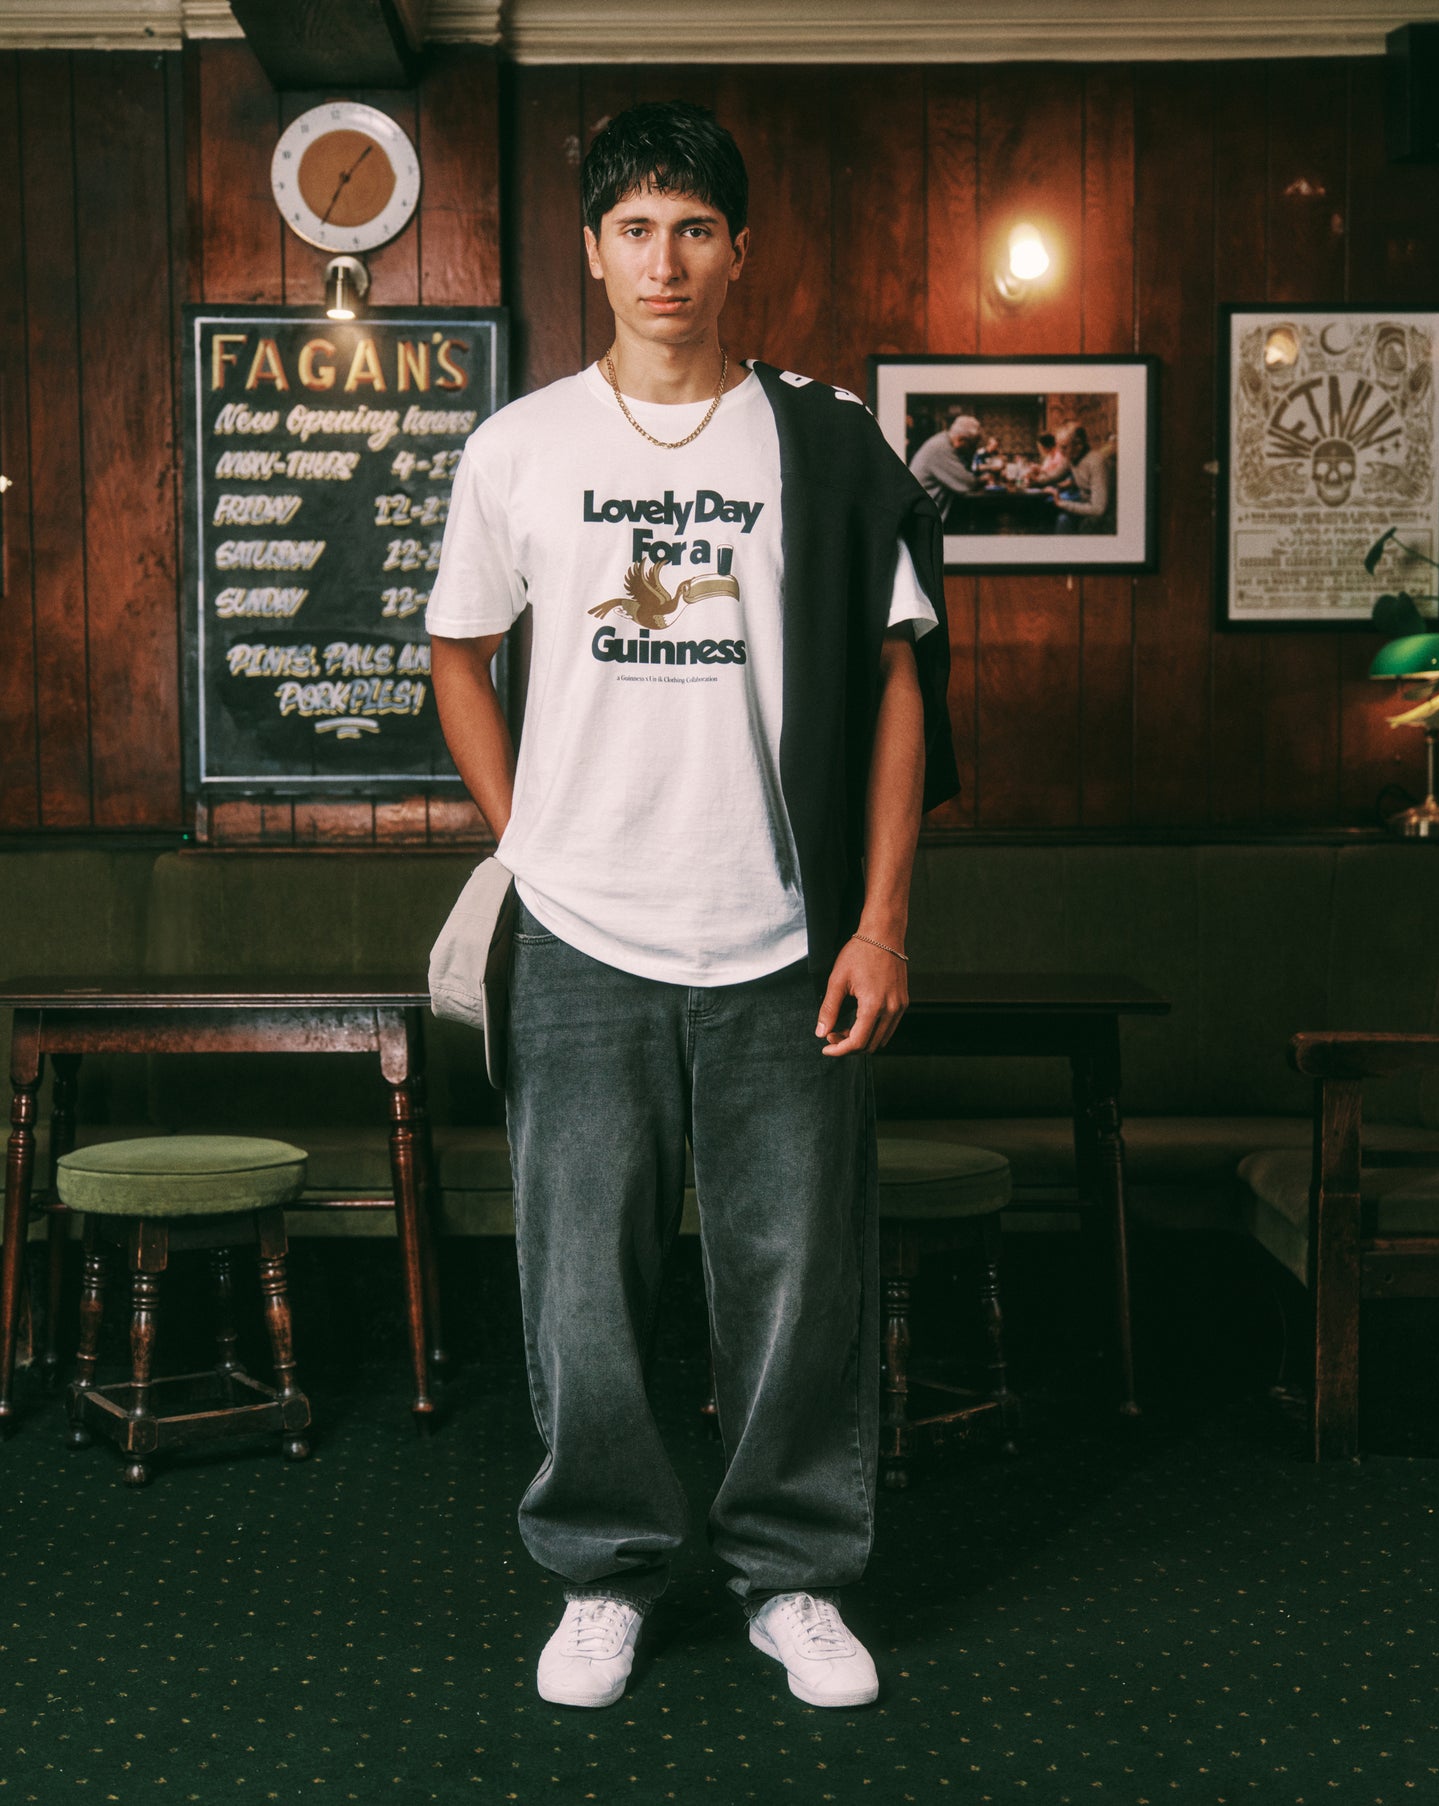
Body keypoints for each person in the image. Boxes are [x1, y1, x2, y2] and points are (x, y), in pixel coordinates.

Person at [426, 100, 957, 1715]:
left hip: (786, 932)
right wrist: (527, 838)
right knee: (580, 1276)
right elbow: (458, 651)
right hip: (582, 934)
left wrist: (882, 921)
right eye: (636, 229)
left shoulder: (825, 445)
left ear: (741, 251)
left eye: (696, 228)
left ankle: (793, 1573)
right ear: (592, 252)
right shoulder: (521, 447)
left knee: (798, 1273)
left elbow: (898, 684)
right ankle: (604, 1569)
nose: (666, 259)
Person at [907, 412, 983, 512]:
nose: (972, 449)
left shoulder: (943, 440)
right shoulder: (940, 447)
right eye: (972, 445)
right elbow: (967, 483)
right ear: (961, 440)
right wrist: (983, 480)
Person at [1049, 422, 1114, 533]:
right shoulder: (1072, 457)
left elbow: (1098, 509)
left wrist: (1062, 503)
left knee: (1063, 520)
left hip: (1102, 515)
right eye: (1058, 446)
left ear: (1078, 445)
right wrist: (1035, 480)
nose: (1059, 451)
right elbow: (1055, 475)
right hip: (1086, 505)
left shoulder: (1096, 462)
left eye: (1064, 447)